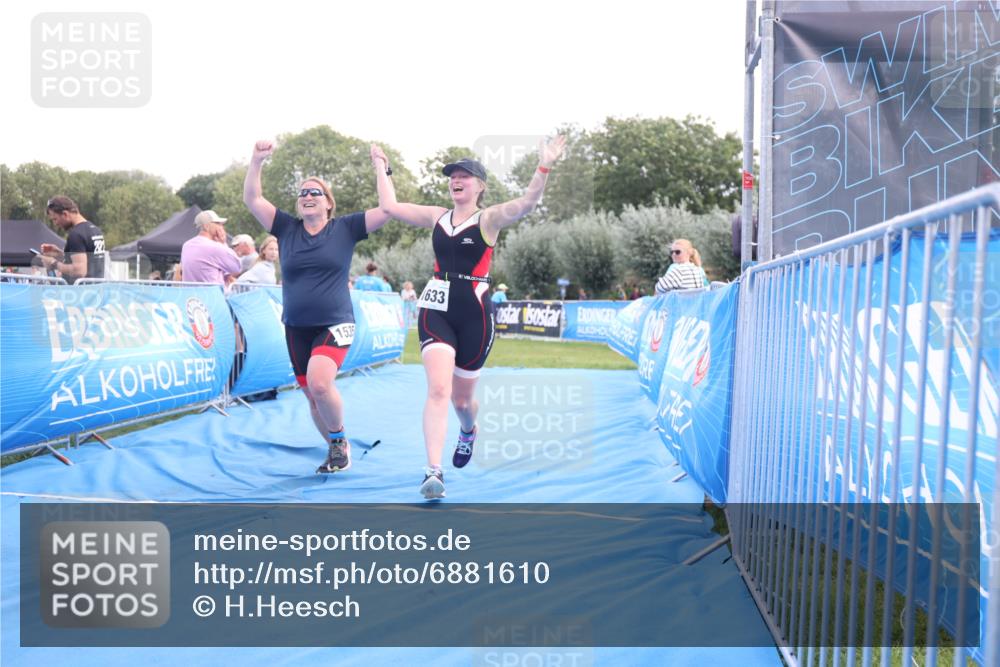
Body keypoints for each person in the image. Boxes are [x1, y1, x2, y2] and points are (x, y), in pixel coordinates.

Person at [371, 136, 566, 499]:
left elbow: (527, 203)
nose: (455, 180)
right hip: (436, 308)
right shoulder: (436, 216)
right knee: (439, 389)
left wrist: (545, 165)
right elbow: (390, 205)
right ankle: (433, 471)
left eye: (464, 175)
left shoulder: (488, 219)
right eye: (451, 176)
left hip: (476, 313)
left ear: (480, 186)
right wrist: (381, 166)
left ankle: (468, 430)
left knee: (462, 402)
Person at [243, 139, 393, 474]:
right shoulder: (286, 229)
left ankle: (338, 441)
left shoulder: (345, 228)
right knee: (312, 396)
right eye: (302, 193)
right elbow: (253, 199)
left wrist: (380, 166)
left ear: (328, 203)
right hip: (296, 325)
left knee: (321, 384)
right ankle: (337, 449)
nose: (308, 196)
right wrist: (256, 161)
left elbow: (386, 210)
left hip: (335, 321)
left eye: (315, 193)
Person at [39, 196, 106, 283]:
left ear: (65, 214)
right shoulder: (95, 230)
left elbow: (79, 271)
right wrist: (60, 253)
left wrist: (53, 263)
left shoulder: (76, 235)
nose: (55, 223)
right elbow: (88, 260)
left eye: (55, 219)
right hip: (96, 290)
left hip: (80, 293)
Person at [180, 210, 241, 287]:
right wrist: (223, 243)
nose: (221, 227)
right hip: (212, 295)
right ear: (206, 226)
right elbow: (237, 267)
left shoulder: (187, 245)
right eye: (218, 223)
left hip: (192, 296)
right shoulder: (214, 247)